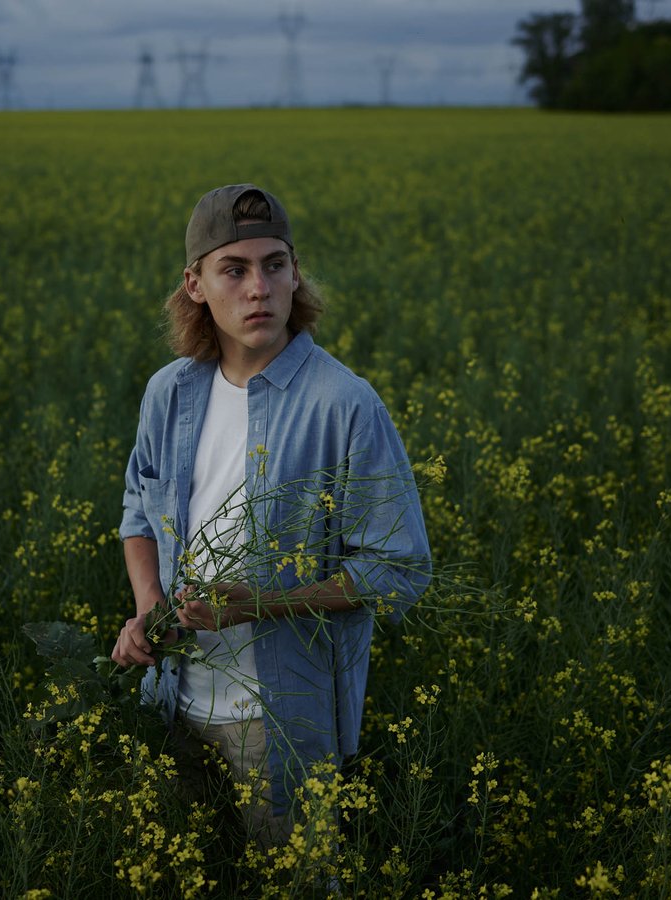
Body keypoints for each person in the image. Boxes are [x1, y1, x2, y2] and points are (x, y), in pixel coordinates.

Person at [112, 183, 430, 845]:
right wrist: (148, 607)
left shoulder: (344, 403)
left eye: (275, 265)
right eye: (235, 269)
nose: (260, 287)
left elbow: (395, 569)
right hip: (173, 698)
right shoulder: (169, 392)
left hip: (279, 719)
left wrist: (257, 603)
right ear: (196, 284)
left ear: (294, 274)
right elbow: (139, 507)